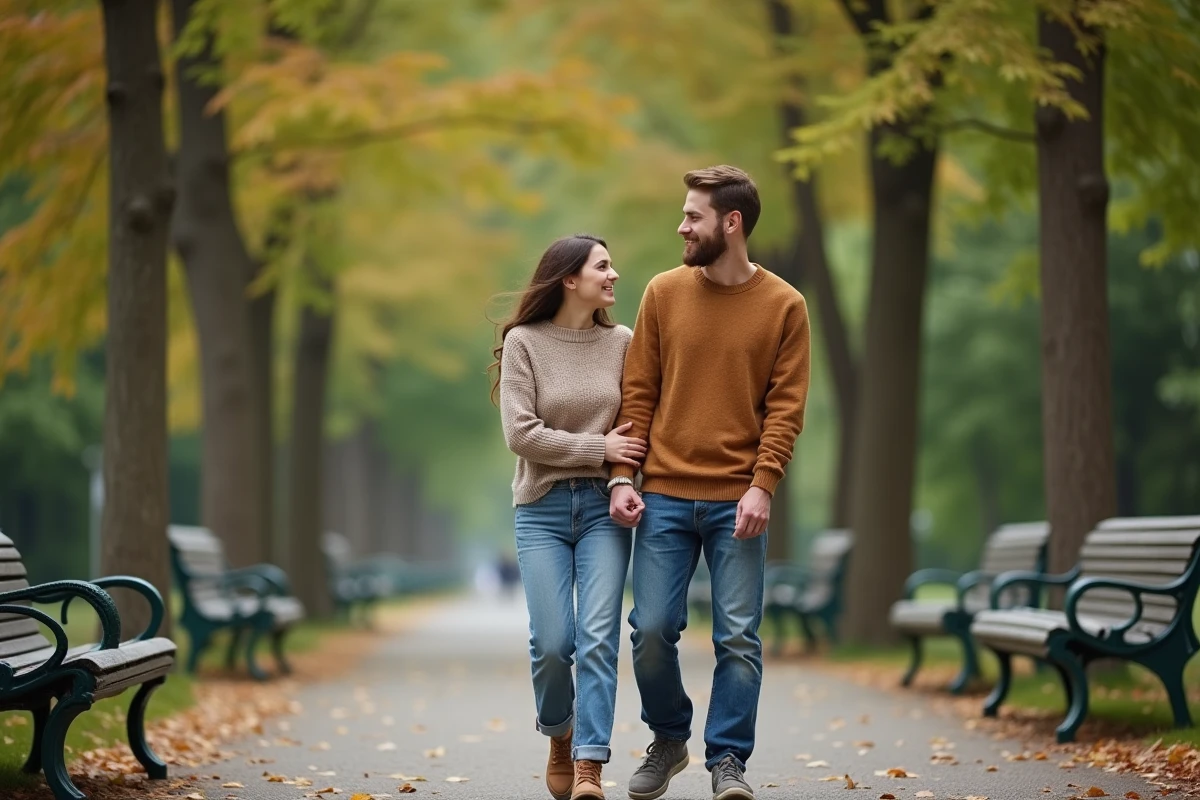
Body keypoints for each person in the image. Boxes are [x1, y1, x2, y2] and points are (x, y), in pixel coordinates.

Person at [608, 166, 811, 800]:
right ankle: (670, 739)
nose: (681, 225)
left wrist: (764, 483)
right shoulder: (664, 293)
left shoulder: (785, 306)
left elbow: (786, 406)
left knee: (738, 638)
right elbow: (637, 392)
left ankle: (728, 760)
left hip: (739, 502)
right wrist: (622, 475)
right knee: (650, 629)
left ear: (732, 224)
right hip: (665, 493)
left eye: (692, 215)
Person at [492, 234, 646, 800]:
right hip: (542, 509)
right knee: (554, 643)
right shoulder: (524, 343)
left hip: (606, 507)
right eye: (603, 266)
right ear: (569, 279)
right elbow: (520, 434)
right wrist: (597, 448)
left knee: (599, 636)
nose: (614, 275)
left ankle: (589, 762)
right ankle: (558, 732)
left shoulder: (625, 342)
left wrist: (619, 473)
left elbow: (634, 428)